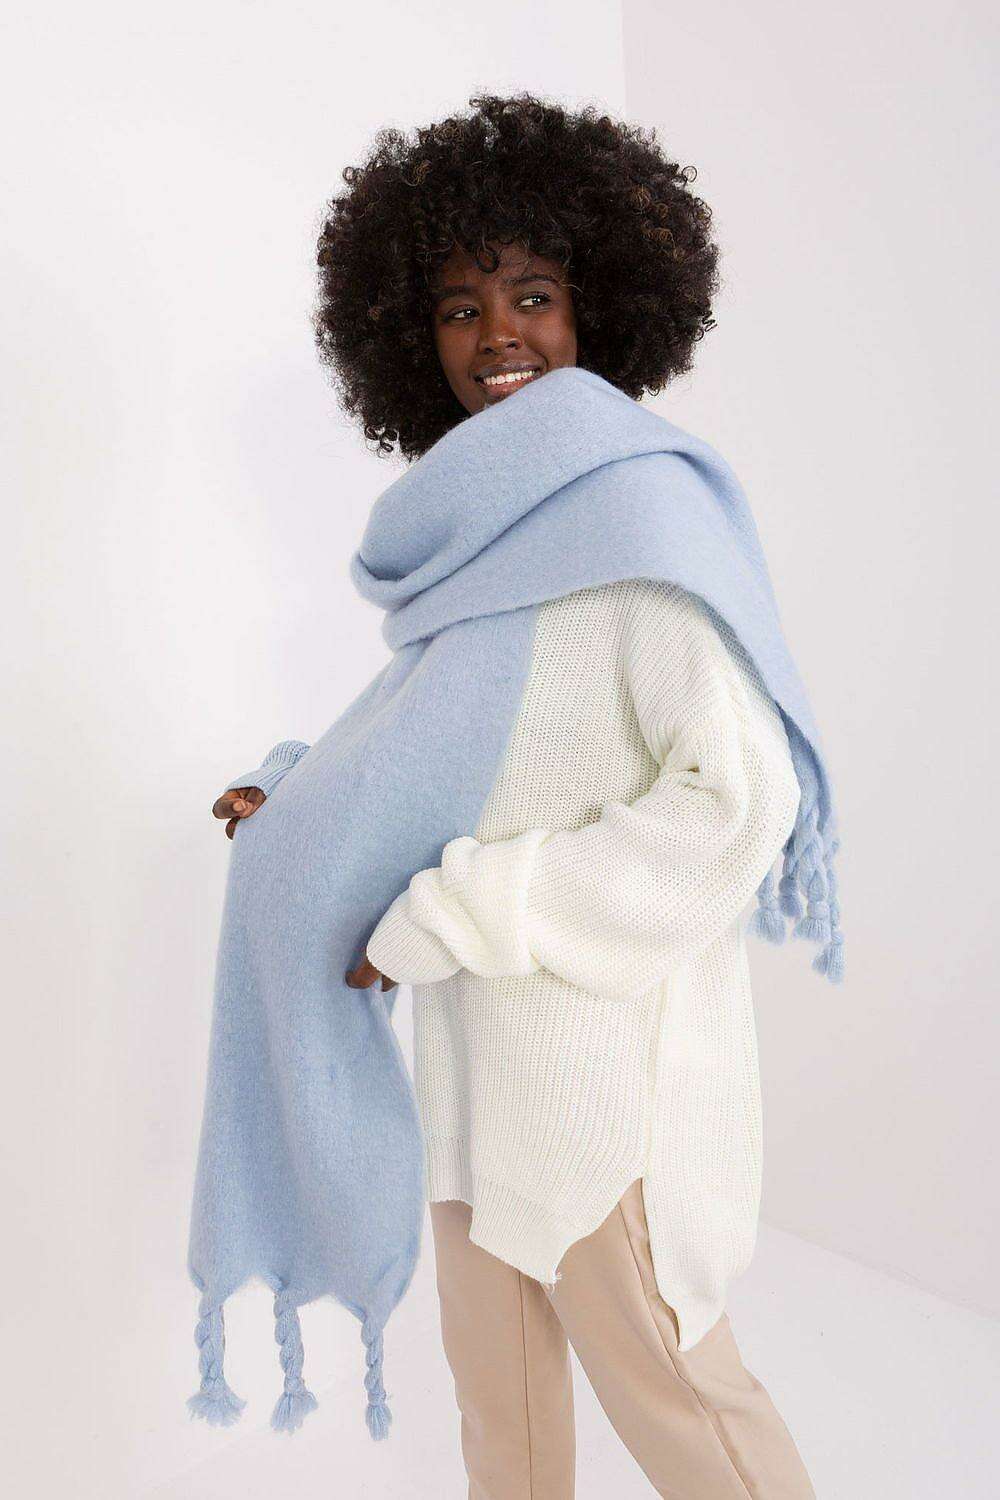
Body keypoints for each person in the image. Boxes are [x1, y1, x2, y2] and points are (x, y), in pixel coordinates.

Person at [212, 93, 817, 1498]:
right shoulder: (484, 545)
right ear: (408, 343)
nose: (499, 335)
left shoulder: (640, 530)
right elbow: (422, 752)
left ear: (601, 306)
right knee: (506, 1423)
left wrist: (457, 910)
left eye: (534, 295)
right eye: (459, 307)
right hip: (474, 1082)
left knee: (685, 1407)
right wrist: (298, 802)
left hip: (607, 1089)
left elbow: (736, 809)